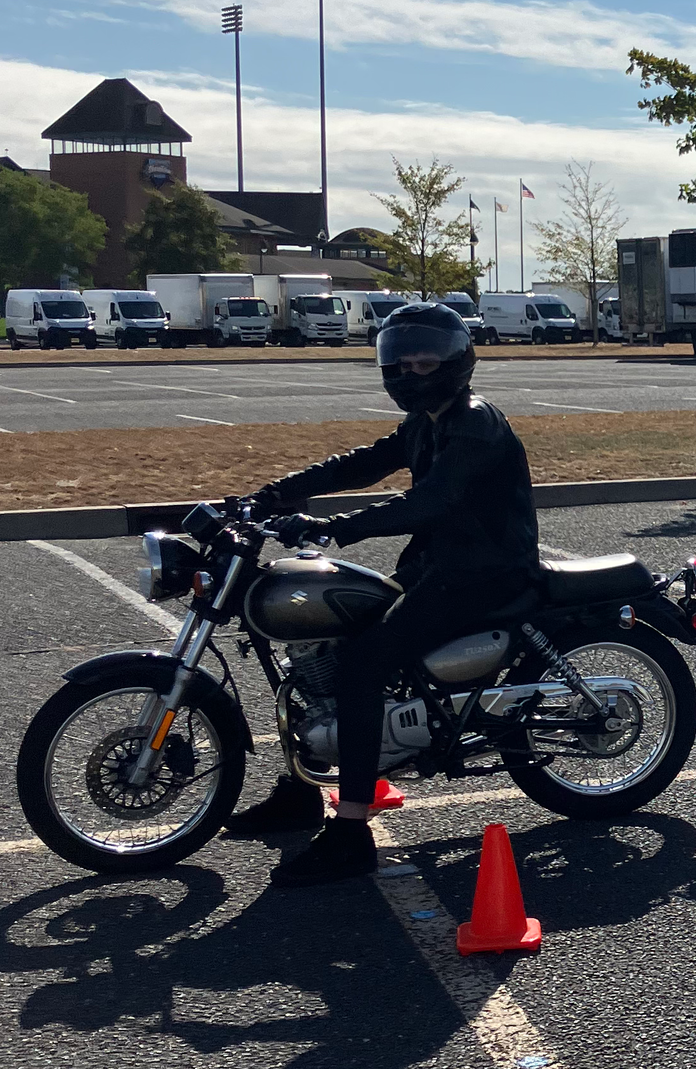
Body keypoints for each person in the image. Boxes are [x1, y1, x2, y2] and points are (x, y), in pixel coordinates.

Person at [227, 300, 542, 888]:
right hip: (440, 567)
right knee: (325, 644)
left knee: (363, 664)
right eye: (401, 364)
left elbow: (431, 501)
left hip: (484, 575)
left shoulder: (476, 423)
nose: (411, 374)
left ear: (456, 362)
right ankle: (302, 789)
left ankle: (350, 831)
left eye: (425, 363)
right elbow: (364, 464)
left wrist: (335, 528)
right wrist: (274, 495)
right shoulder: (426, 422)